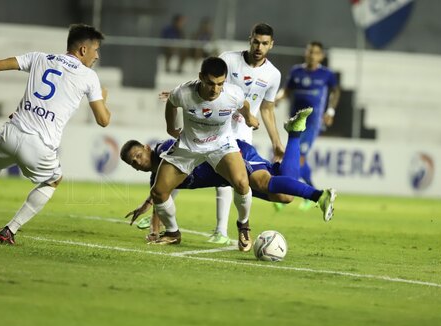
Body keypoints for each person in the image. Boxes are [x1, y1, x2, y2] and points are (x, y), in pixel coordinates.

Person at [0, 24, 111, 244]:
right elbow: (103, 120)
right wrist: (103, 100)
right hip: (39, 145)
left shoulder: (40, 57)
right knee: (54, 180)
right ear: (83, 50)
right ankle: (9, 230)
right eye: (96, 49)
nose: (97, 55)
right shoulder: (89, 76)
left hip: (11, 133)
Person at [120, 107, 336, 243]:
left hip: (232, 154)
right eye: (133, 162)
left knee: (262, 181)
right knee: (284, 196)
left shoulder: (164, 149)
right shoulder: (158, 177)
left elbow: (168, 168)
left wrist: (150, 199)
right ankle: (296, 133)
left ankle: (319, 196)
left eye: (138, 154)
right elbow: (161, 194)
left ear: (147, 148)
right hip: (229, 177)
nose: (138, 161)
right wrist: (154, 229)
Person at [149, 56, 259, 251]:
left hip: (222, 145)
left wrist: (249, 118)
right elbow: (171, 104)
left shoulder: (233, 94)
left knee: (242, 183)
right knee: (158, 192)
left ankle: (243, 225)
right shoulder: (183, 93)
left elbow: (244, 105)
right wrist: (171, 127)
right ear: (200, 77)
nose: (215, 90)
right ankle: (173, 233)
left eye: (220, 84)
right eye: (210, 83)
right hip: (189, 147)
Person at [210, 23, 284, 244]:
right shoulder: (228, 59)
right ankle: (165, 223)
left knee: (235, 179)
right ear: (249, 39)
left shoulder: (273, 74)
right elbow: (208, 83)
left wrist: (277, 142)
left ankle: (226, 230)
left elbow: (267, 108)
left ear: (271, 45)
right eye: (255, 41)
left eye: (264, 43)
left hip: (242, 133)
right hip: (216, 125)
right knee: (187, 169)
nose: (259, 47)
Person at [275, 41, 340, 210]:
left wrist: (330, 111)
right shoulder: (296, 71)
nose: (312, 55)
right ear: (306, 52)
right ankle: (302, 192)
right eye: (310, 51)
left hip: (312, 122)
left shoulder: (326, 75)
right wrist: (279, 97)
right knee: (294, 156)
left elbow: (335, 91)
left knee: (300, 157)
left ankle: (304, 194)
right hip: (295, 121)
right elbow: (286, 90)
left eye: (316, 53)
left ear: (321, 56)